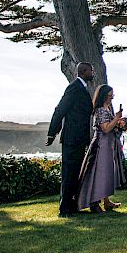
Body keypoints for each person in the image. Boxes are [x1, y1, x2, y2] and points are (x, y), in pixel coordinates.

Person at [46, 62, 94, 217]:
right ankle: (64, 208)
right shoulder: (74, 88)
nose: (92, 73)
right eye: (91, 71)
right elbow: (60, 109)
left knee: (75, 172)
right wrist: (52, 133)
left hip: (79, 138)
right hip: (72, 139)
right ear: (84, 71)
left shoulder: (83, 88)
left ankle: (72, 205)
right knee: (69, 173)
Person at [77, 84, 125, 213]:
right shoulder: (100, 110)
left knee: (107, 172)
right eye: (110, 96)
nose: (112, 98)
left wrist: (119, 124)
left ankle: (106, 201)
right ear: (104, 96)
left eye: (112, 96)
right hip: (101, 144)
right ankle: (94, 202)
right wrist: (116, 118)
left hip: (107, 144)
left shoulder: (106, 108)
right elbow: (105, 128)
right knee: (98, 172)